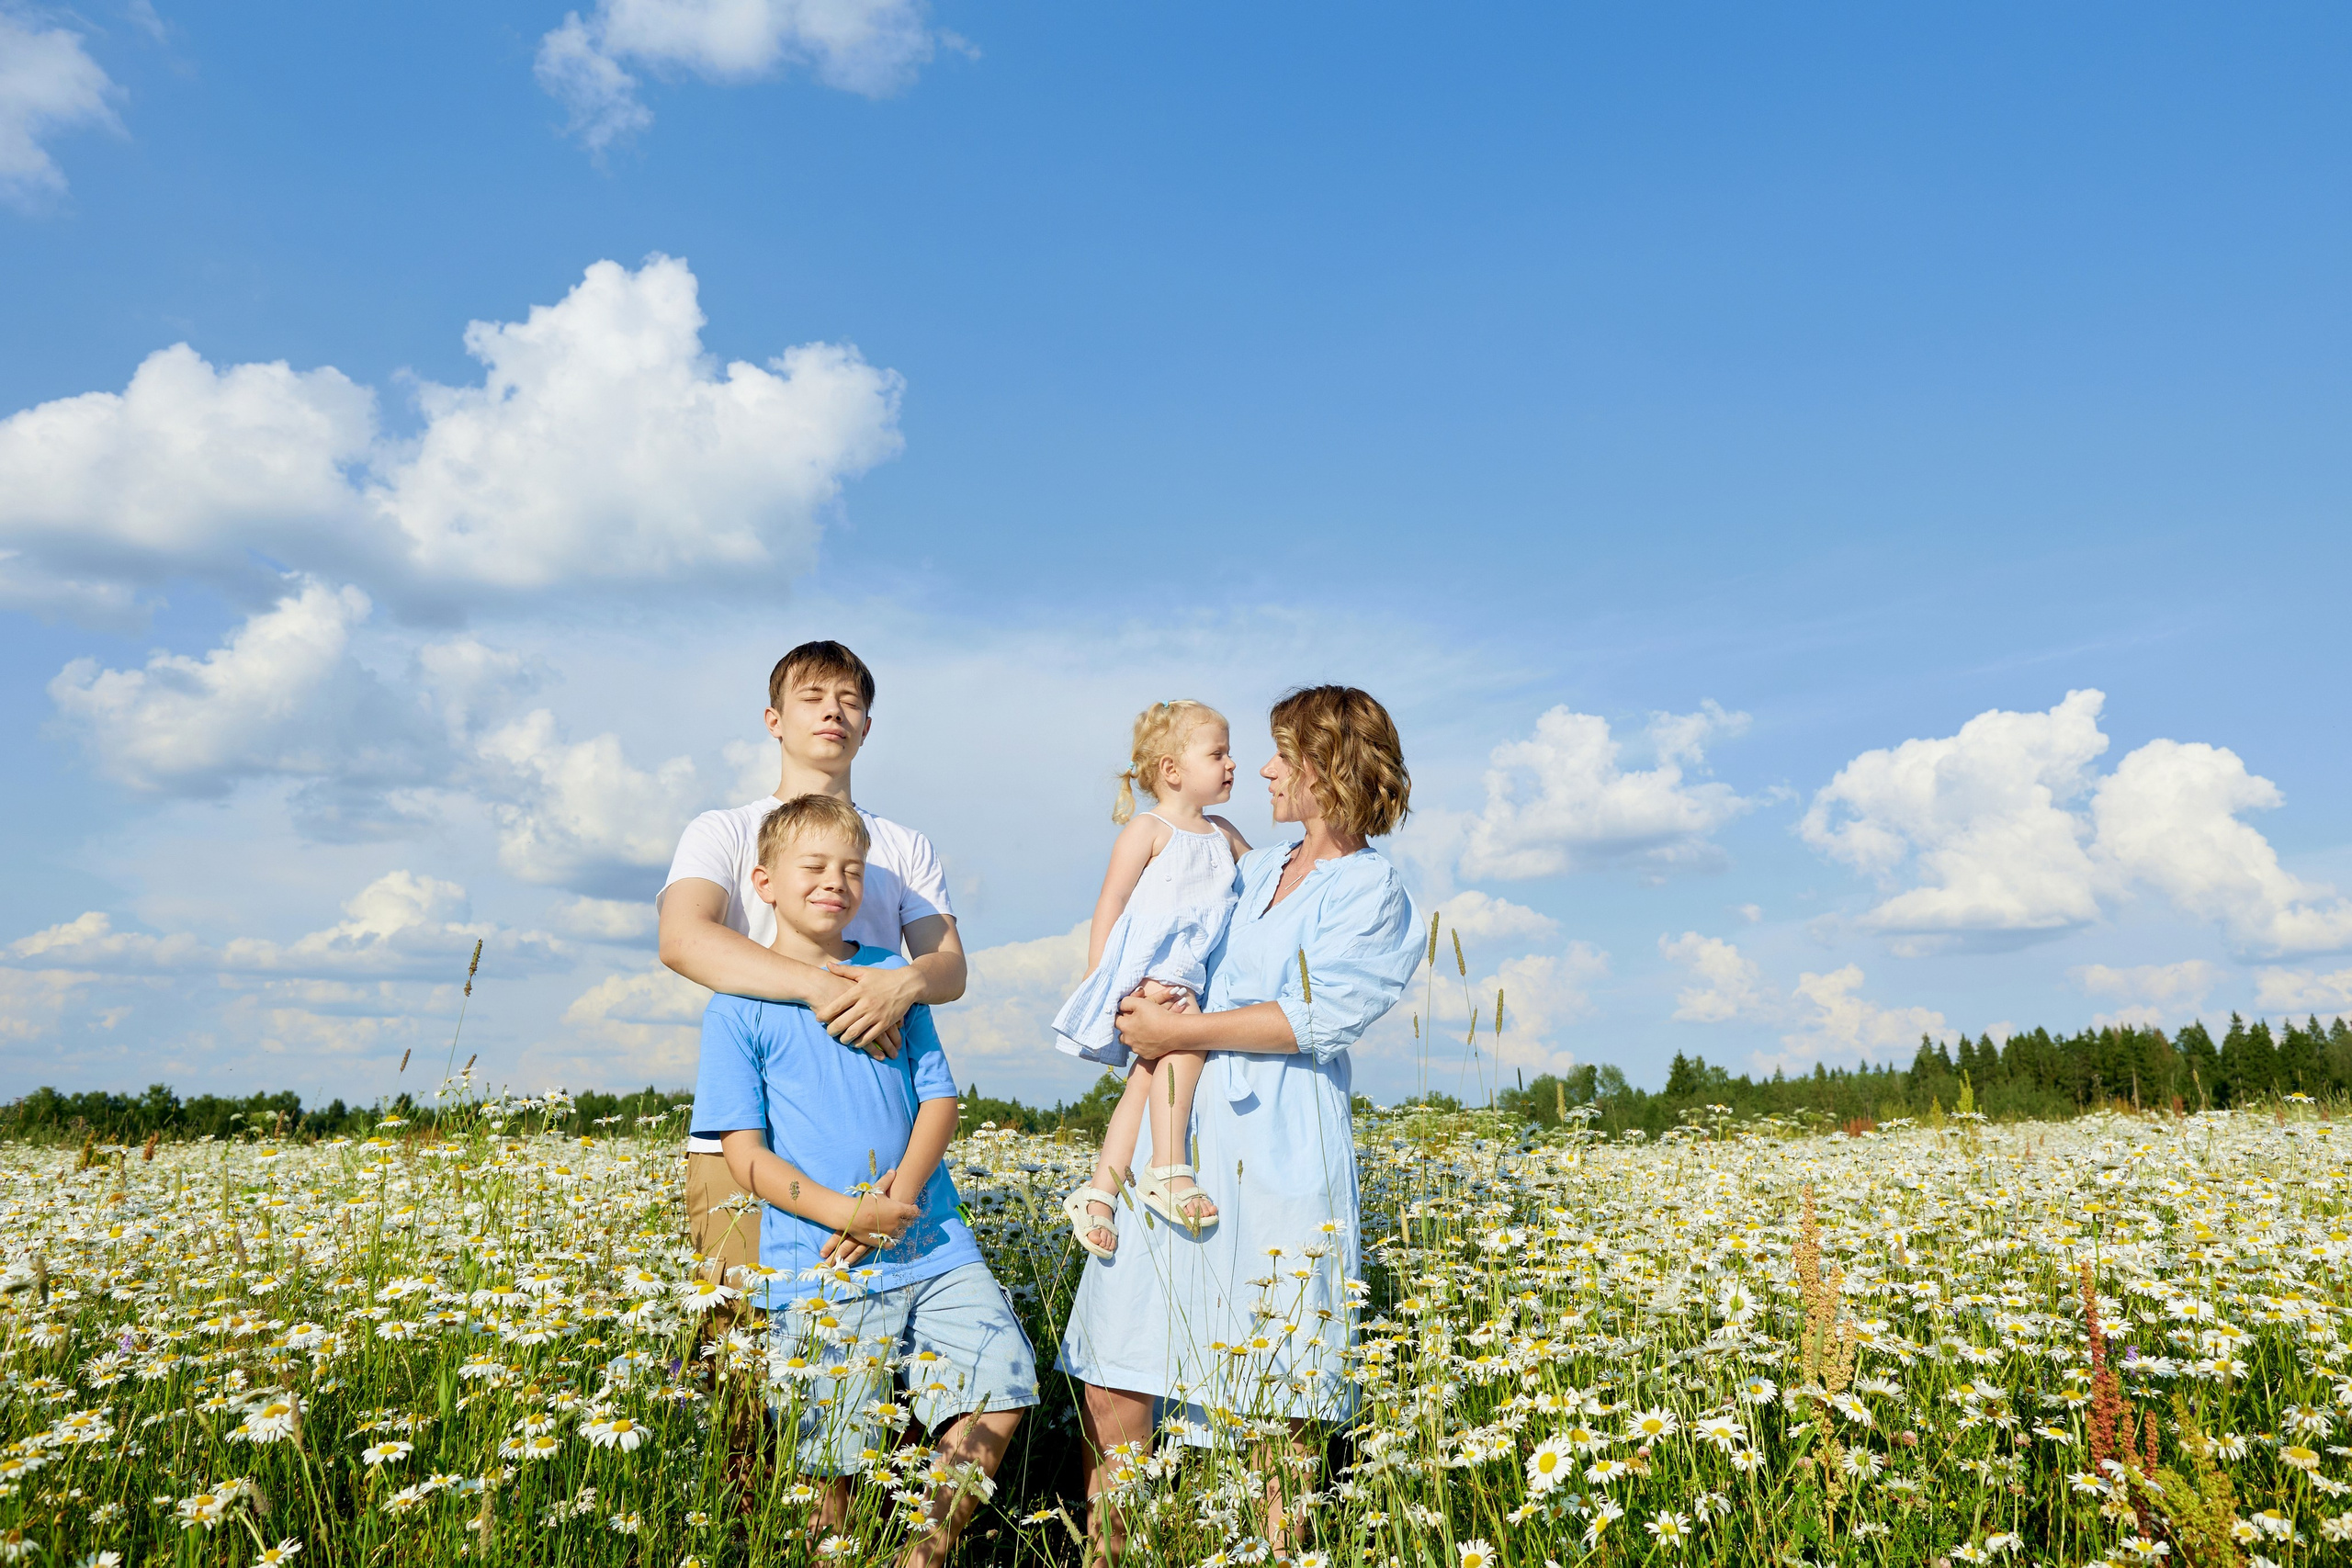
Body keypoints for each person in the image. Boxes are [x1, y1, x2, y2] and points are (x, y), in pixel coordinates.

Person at [1058, 684, 1422, 1559]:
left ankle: (1272, 1548)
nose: (1262, 769)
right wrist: (1134, 995)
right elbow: (1168, 930)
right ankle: (1109, 1551)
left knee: (1277, 1391)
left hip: (1280, 1143)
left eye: (1282, 756)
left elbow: (1316, 1015)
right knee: (1117, 1368)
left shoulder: (1371, 889)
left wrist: (1181, 1031)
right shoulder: (1254, 866)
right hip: (1175, 1136)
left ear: (1328, 768)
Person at [691, 794, 1035, 1567]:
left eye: (851, 869)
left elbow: (939, 1099)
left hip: (931, 1238)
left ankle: (927, 1546)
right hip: (818, 1262)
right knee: (829, 1456)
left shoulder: (891, 978)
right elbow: (745, 1154)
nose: (834, 882)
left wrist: (895, 1199)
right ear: (763, 882)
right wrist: (846, 1212)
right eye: (813, 866)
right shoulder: (735, 1007)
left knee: (1002, 1378)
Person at [660, 640, 967, 1289]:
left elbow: (949, 968)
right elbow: (683, 938)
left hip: (880, 1144)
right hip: (752, 1145)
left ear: (867, 727)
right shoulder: (723, 829)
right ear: (774, 720)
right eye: (813, 697)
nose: (834, 711)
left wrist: (903, 985)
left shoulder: (903, 845)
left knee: (890, 1335)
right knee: (741, 1333)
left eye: (850, 701)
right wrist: (821, 989)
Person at [1054, 701, 1250, 1256]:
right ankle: (1168, 1168)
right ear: (1172, 769)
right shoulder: (1149, 828)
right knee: (1186, 1052)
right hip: (1145, 978)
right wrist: (1102, 981)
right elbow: (1111, 901)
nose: (1232, 763)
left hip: (1187, 978)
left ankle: (1098, 1194)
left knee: (1142, 1085)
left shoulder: (1223, 833)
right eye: (1217, 753)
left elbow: (1262, 877)